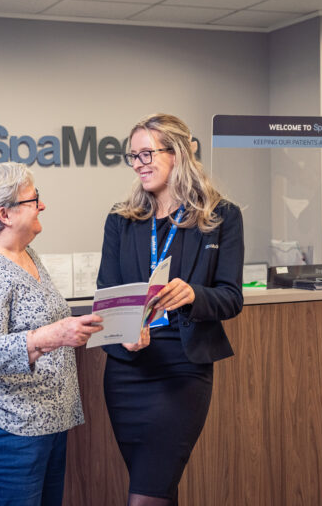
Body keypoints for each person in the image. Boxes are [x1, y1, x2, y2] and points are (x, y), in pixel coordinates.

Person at [97, 114, 244, 506]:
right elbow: (107, 293)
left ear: (178, 153)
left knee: (145, 497)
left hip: (182, 372)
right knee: (159, 490)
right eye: (134, 156)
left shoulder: (221, 217)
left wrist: (195, 295)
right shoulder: (121, 219)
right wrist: (125, 331)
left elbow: (231, 297)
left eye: (148, 153)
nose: (140, 163)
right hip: (127, 372)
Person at [0, 162, 103, 506]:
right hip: (1, 428)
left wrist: (74, 330)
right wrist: (53, 335)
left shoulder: (25, 253)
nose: (42, 205)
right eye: (34, 199)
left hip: (42, 423)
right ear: (5, 214)